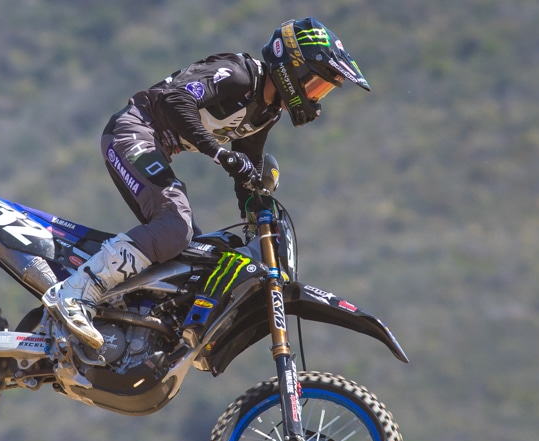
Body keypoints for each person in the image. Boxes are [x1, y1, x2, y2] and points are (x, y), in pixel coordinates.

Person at [42, 17, 371, 350]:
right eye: (316, 85)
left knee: (197, 256)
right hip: (132, 131)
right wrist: (219, 153)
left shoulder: (266, 112)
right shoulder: (240, 75)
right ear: (292, 69)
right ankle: (75, 292)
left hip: (154, 145)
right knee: (174, 224)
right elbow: (174, 101)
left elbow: (248, 167)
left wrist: (256, 208)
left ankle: (124, 324)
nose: (316, 98)